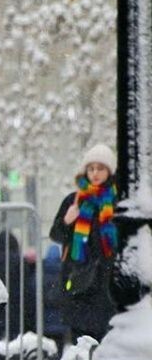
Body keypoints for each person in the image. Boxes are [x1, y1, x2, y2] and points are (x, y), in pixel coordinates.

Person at [48, 144, 118, 341]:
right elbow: (56, 234)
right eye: (91, 168)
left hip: (108, 283)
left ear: (110, 171)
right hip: (80, 284)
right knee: (82, 342)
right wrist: (67, 221)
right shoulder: (74, 201)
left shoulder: (117, 202)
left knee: (108, 341)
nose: (95, 173)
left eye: (100, 168)